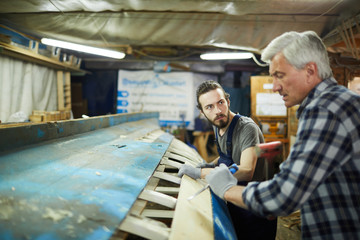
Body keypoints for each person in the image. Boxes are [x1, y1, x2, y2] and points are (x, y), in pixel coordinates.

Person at [206, 31, 360, 240]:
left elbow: (284, 195)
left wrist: (226, 189)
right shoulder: (340, 101)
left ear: (310, 70)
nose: (275, 86)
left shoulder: (325, 110)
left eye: (280, 75)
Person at [178, 80, 277, 239]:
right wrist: (211, 164)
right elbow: (227, 156)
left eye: (221, 103)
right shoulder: (218, 125)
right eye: (209, 107)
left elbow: (246, 171)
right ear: (202, 112)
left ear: (228, 101)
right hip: (235, 200)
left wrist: (201, 172)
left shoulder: (246, 128)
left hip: (255, 204)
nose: (217, 110)